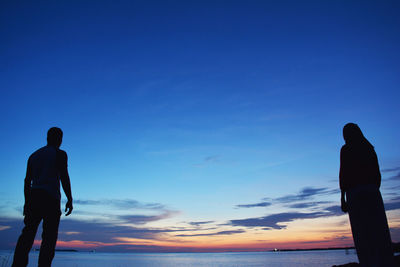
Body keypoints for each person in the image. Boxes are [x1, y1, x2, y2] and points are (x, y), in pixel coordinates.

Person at [12, 127, 73, 267]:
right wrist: (69, 198)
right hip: (50, 198)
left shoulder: (34, 156)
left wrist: (27, 202)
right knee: (49, 239)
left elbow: (27, 181)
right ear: (59, 139)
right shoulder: (60, 154)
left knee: (27, 235)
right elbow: (64, 176)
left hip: (34, 197)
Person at [339, 123, 394, 267]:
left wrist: (343, 198)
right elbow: (377, 174)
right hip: (371, 192)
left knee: (362, 232)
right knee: (377, 229)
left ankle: (369, 262)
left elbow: (343, 174)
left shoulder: (346, 150)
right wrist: (374, 188)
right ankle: (382, 261)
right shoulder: (369, 148)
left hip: (356, 194)